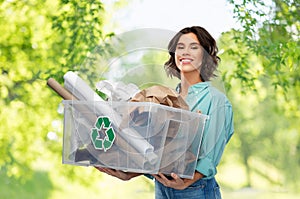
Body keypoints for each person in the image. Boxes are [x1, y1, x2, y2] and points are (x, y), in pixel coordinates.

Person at [95, 26, 234, 199]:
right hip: (162, 186)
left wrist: (187, 182)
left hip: (196, 189)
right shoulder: (165, 99)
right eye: (180, 47)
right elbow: (161, 151)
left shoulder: (215, 100)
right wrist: (130, 173)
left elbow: (211, 153)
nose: (185, 52)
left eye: (193, 47)